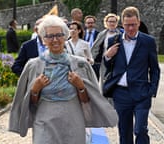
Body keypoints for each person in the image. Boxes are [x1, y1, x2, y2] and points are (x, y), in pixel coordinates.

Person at [9, 15, 118, 144]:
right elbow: (31, 104)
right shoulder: (34, 65)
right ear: (43, 39)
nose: (55, 40)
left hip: (73, 121)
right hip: (45, 122)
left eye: (59, 35)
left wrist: (81, 86)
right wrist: (35, 89)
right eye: (49, 36)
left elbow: (88, 101)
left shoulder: (80, 64)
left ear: (66, 36)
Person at [104, 6, 160, 144]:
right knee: (124, 131)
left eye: (133, 25)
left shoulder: (148, 42)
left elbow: (154, 69)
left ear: (139, 23)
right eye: (127, 25)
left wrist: (152, 90)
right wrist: (107, 57)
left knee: (140, 130)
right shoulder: (114, 41)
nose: (130, 28)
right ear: (122, 24)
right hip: (121, 94)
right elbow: (108, 67)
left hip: (141, 93)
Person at [91, 13, 122, 81]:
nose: (112, 23)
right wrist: (91, 58)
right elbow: (96, 47)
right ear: (106, 23)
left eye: (114, 21)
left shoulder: (120, 34)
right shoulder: (102, 34)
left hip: (117, 61)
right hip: (104, 60)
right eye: (110, 21)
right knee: (103, 80)